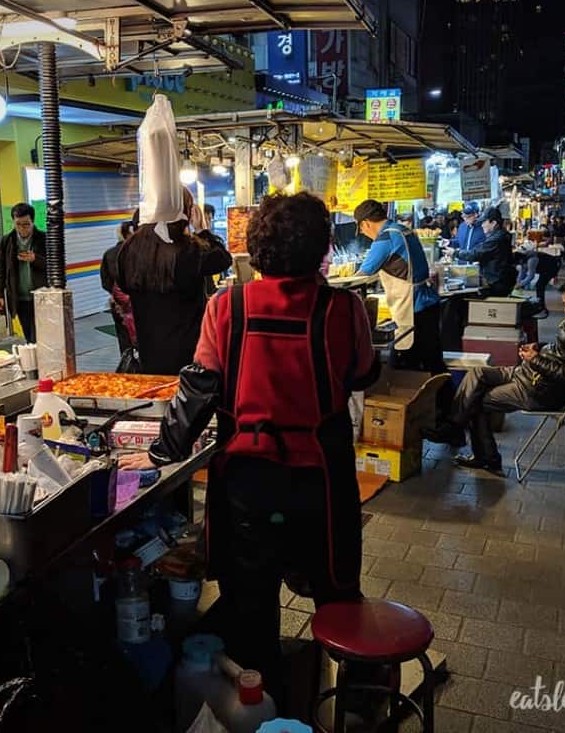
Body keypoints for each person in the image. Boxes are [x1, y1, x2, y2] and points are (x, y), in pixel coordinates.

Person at [119, 192, 381, 698]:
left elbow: (197, 390)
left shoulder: (227, 306)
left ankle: (266, 702)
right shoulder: (343, 308)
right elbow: (364, 372)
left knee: (250, 603)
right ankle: (360, 696)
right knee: (336, 591)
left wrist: (160, 453)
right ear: (322, 248)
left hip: (247, 483)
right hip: (320, 481)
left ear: (257, 247)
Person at [426, 276, 565, 474]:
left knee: (475, 400)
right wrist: (539, 348)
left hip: (541, 390)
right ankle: (454, 428)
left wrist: (535, 359)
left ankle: (484, 455)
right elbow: (562, 351)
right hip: (530, 375)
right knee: (478, 373)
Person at [117, 188, 232, 375]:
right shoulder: (187, 249)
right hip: (189, 354)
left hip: (149, 351)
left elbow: (122, 284)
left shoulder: (130, 249)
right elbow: (222, 259)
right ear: (185, 213)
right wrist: (203, 230)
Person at [354, 200, 445, 375]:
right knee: (432, 362)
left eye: (362, 230)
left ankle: (433, 400)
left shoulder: (385, 238)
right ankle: (447, 400)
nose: (365, 235)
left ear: (365, 223)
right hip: (427, 303)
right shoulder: (402, 230)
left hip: (413, 309)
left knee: (404, 368)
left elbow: (361, 276)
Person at [0, 203, 46, 343]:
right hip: (19, 298)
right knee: (28, 335)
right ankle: (33, 362)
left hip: (41, 297)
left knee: (41, 335)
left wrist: (36, 259)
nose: (22, 228)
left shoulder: (44, 239)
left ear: (33, 222)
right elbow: (0, 270)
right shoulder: (7, 241)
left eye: (26, 224)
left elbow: (55, 266)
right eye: (18, 224)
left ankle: (41, 362)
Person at [100, 212, 140, 356]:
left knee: (124, 340)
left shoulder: (109, 253)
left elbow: (105, 281)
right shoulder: (138, 252)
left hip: (117, 304)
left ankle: (127, 365)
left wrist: (114, 293)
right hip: (137, 304)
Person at [453, 207, 516, 297]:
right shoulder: (499, 235)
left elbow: (476, 253)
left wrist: (455, 253)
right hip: (500, 280)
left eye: (484, 222)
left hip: (497, 282)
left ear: (493, 223)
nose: (482, 225)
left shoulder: (496, 238)